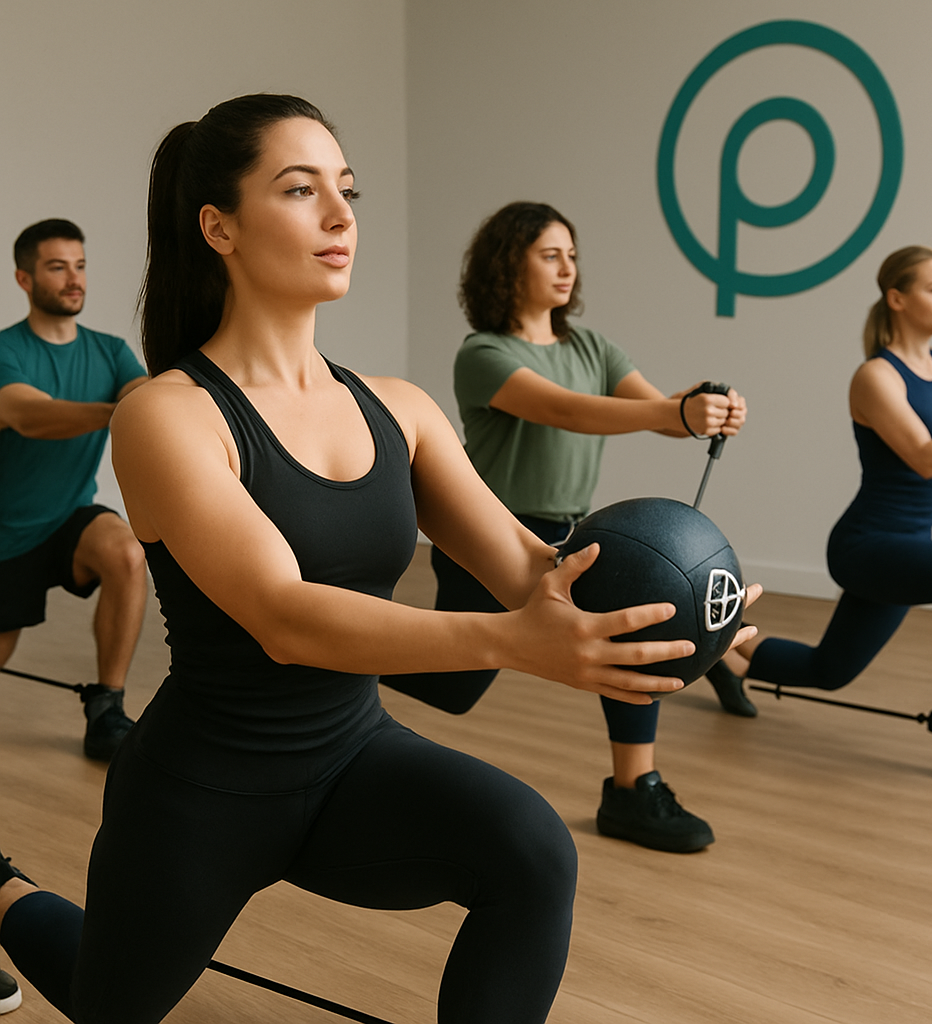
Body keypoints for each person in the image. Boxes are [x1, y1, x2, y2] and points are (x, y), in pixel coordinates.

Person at [0, 95, 756, 1024]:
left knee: (532, 850)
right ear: (218, 227)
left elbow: (531, 565)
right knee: (101, 1000)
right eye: (299, 189)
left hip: (354, 758)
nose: (340, 214)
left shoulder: (399, 408)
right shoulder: (169, 413)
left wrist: (691, 611)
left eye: (346, 189)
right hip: (206, 787)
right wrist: (513, 644)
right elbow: (283, 617)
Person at [383, 201, 750, 854]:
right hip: (487, 534)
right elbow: (568, 411)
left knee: (641, 620)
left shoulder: (592, 347)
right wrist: (676, 414)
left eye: (572, 256)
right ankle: (339, 653)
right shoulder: (484, 354)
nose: (566, 269)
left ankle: (634, 789)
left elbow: (654, 405)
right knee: (454, 688)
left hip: (573, 533)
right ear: (508, 263)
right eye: (549, 254)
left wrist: (702, 406)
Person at [721, 245, 932, 793]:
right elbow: (927, 457)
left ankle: (726, 650)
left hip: (907, 545)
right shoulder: (876, 377)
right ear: (897, 298)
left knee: (827, 672)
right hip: (868, 545)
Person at [0, 219, 148, 760]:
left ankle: (107, 708)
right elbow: (29, 415)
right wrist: (121, 412)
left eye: (79, 266)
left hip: (69, 519)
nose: (73, 279)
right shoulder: (5, 352)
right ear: (24, 278)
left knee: (127, 553)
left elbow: (146, 398)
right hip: (6, 533)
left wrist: (151, 402)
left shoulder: (110, 352)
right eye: (57, 267)